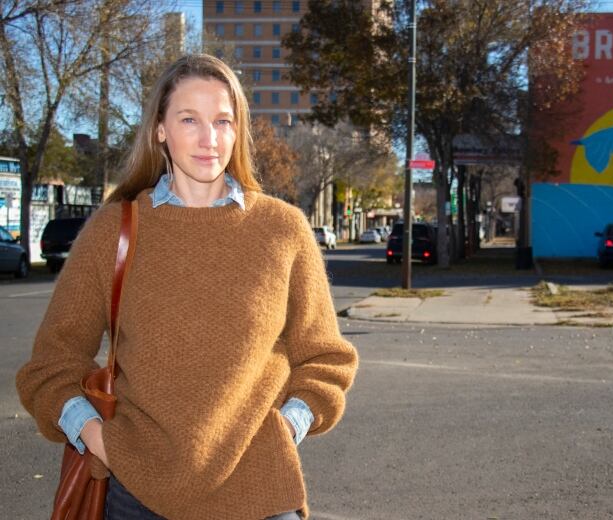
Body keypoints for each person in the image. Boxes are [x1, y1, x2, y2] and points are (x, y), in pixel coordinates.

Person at [16, 54, 358, 520]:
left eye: (222, 121)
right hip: (136, 497)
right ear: (160, 129)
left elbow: (325, 359)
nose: (209, 139)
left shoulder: (283, 230)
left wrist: (286, 426)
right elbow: (51, 366)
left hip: (261, 494)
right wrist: (101, 442)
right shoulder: (112, 232)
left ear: (238, 130)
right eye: (189, 119)